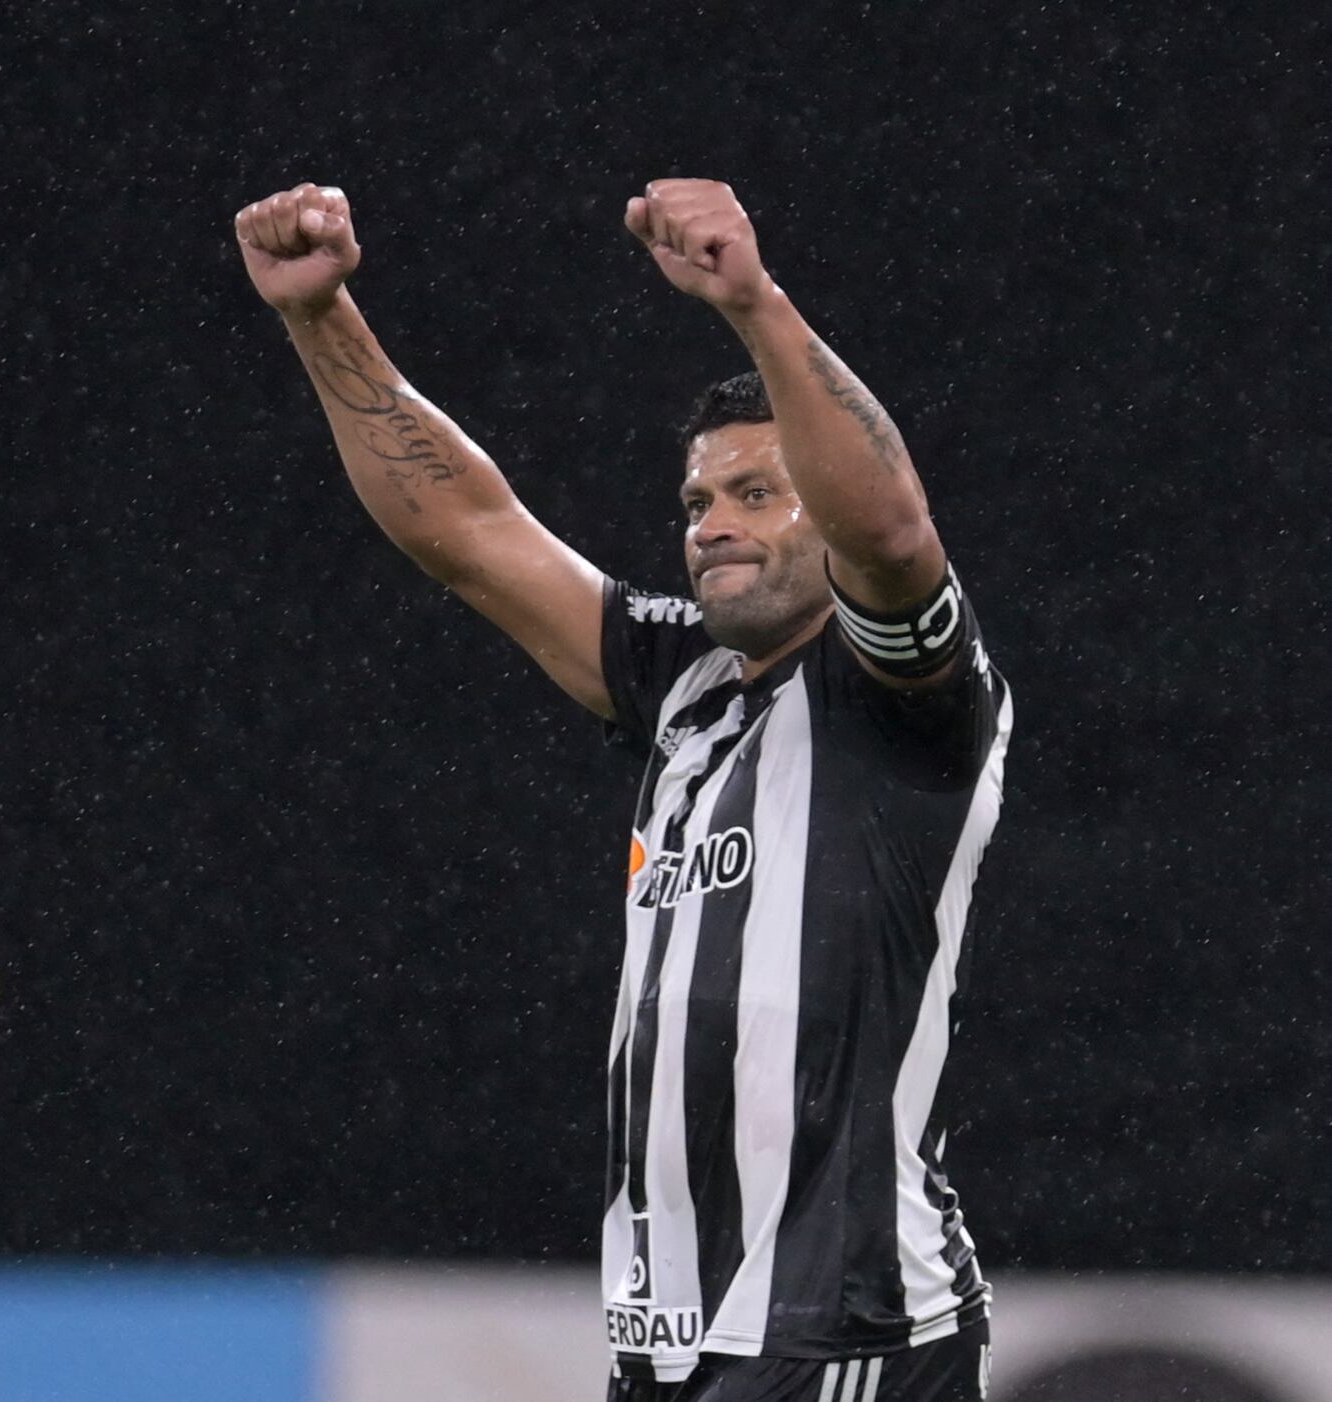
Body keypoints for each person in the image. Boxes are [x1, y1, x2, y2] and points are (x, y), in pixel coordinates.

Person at [236, 180, 1009, 1401]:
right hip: (669, 1336)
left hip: (846, 1329)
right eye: (699, 501)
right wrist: (321, 315)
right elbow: (471, 534)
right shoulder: (684, 685)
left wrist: (752, 305)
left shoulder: (908, 697)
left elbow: (898, 535)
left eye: (757, 493)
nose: (712, 524)